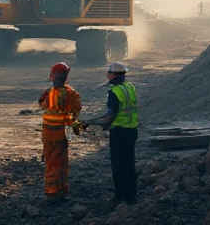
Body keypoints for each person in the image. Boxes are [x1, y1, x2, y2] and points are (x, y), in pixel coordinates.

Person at [89, 61, 139, 205]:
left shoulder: (115, 93)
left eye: (109, 73)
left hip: (119, 133)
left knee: (118, 165)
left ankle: (120, 196)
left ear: (113, 76)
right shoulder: (130, 88)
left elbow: (109, 117)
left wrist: (91, 122)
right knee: (129, 164)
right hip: (132, 130)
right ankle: (131, 195)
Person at [39, 62, 82, 203]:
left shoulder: (47, 94)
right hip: (61, 135)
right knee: (59, 163)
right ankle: (57, 192)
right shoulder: (71, 94)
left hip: (48, 135)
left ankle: (54, 191)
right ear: (66, 77)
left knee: (51, 162)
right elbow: (76, 111)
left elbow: (42, 104)